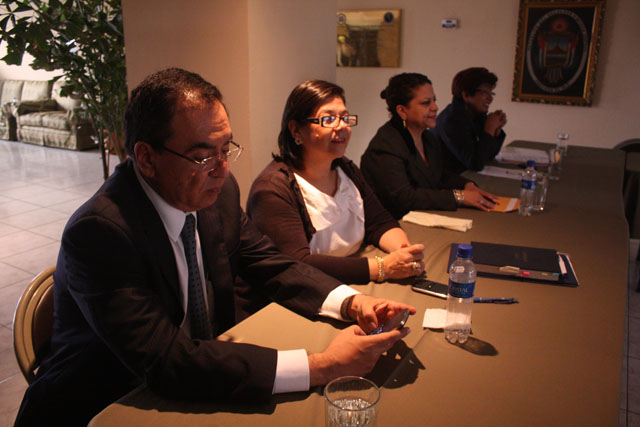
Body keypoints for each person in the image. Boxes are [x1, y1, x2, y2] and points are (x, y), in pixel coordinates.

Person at [15, 68, 415, 426]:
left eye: (227, 148)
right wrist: (321, 366)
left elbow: (273, 264)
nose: (223, 169)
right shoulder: (101, 232)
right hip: (108, 401)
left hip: (201, 376)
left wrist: (351, 302)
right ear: (146, 158)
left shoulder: (217, 193)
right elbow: (166, 361)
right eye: (204, 156)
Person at [247, 80, 425, 285]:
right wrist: (383, 267)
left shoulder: (345, 168)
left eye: (344, 117)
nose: (342, 126)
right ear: (296, 130)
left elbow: (379, 222)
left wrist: (404, 253)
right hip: (307, 291)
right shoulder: (273, 189)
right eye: (329, 119)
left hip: (353, 280)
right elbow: (297, 263)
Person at [360, 72, 497, 220]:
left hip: (422, 218)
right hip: (394, 225)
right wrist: (459, 197)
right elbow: (404, 198)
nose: (435, 107)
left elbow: (439, 175)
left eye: (434, 101)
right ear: (402, 111)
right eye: (426, 103)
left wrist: (466, 185)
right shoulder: (385, 146)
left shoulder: (428, 137)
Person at [434, 67, 507, 173]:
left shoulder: (475, 114)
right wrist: (489, 130)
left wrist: (496, 132)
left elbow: (487, 157)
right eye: (485, 93)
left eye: (491, 93)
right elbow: (475, 164)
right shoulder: (452, 121)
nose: (490, 99)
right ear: (466, 95)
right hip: (444, 183)